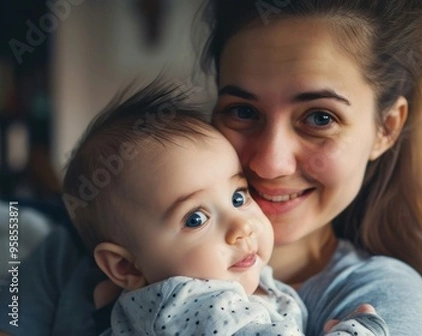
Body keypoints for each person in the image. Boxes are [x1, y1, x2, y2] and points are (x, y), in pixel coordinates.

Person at [0, 1, 422, 335]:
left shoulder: (382, 299)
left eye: (320, 118)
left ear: (386, 128)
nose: (268, 163)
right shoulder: (71, 248)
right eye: (243, 111)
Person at [61, 81, 390, 336]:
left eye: (238, 196)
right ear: (125, 268)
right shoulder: (194, 304)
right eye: (196, 219)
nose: (241, 228)